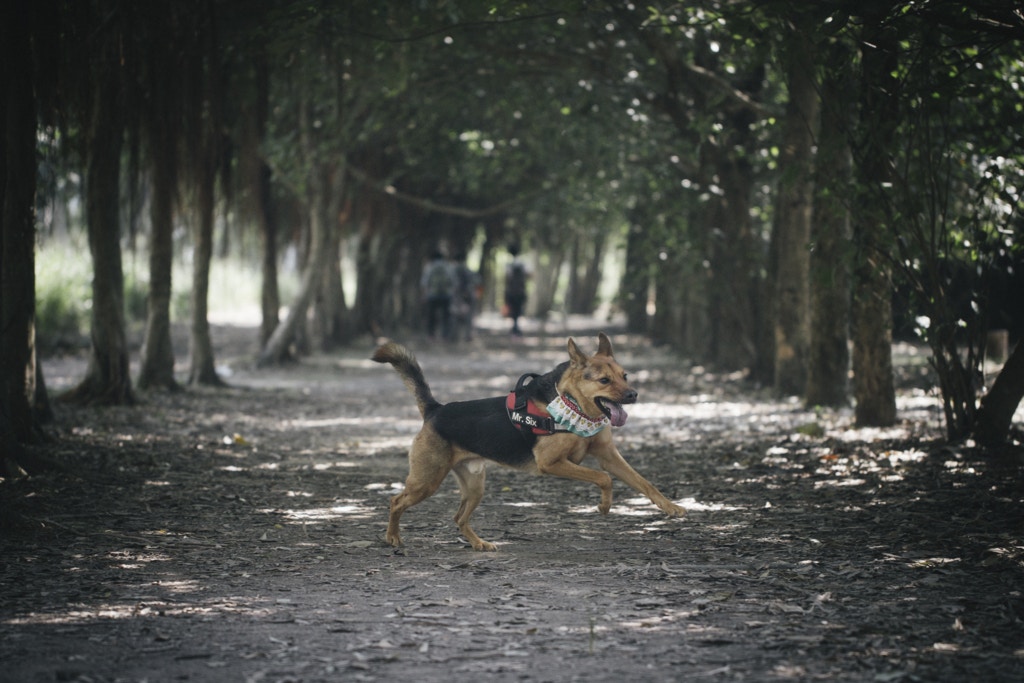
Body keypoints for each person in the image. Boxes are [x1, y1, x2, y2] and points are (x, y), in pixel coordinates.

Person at [420, 250, 454, 340]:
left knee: (432, 316)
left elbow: (424, 282)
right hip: (446, 295)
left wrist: (424, 295)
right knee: (445, 316)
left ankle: (431, 335)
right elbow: (452, 281)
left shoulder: (429, 267)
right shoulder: (448, 266)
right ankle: (445, 335)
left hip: (432, 295)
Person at [450, 251, 479, 342]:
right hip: (469, 295)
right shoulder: (469, 270)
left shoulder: (453, 270)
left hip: (457, 296)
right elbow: (477, 281)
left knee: (455, 315)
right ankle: (468, 335)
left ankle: (454, 336)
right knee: (469, 316)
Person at [504, 244, 529, 337]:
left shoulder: (508, 265)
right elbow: (529, 275)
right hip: (520, 291)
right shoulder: (523, 264)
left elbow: (507, 277)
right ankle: (516, 327)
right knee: (518, 310)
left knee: (513, 310)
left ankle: (514, 328)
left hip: (511, 291)